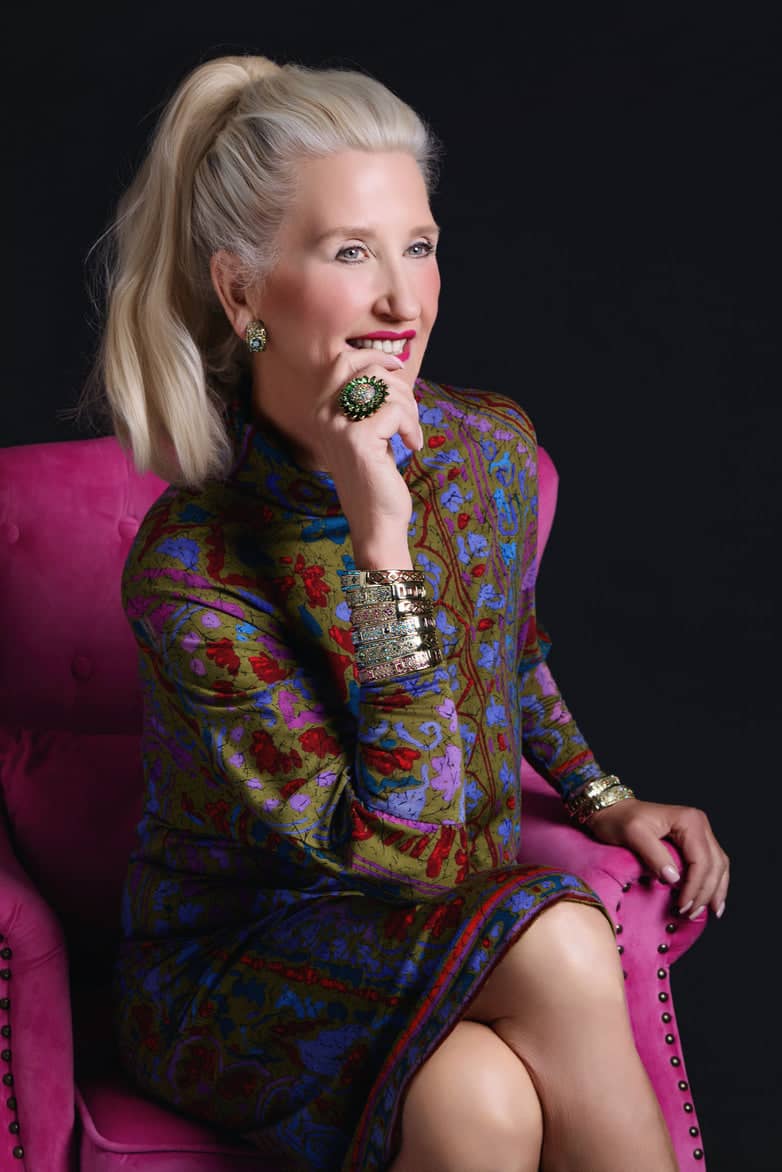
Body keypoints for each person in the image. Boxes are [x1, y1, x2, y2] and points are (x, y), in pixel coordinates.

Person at [85, 53, 730, 1172]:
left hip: (439, 925)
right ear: (241, 292)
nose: (403, 298)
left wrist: (602, 791)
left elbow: (507, 650)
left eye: (418, 246)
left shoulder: (485, 450)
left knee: (474, 1099)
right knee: (565, 933)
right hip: (241, 964)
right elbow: (412, 844)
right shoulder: (191, 569)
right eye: (350, 252)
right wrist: (375, 540)